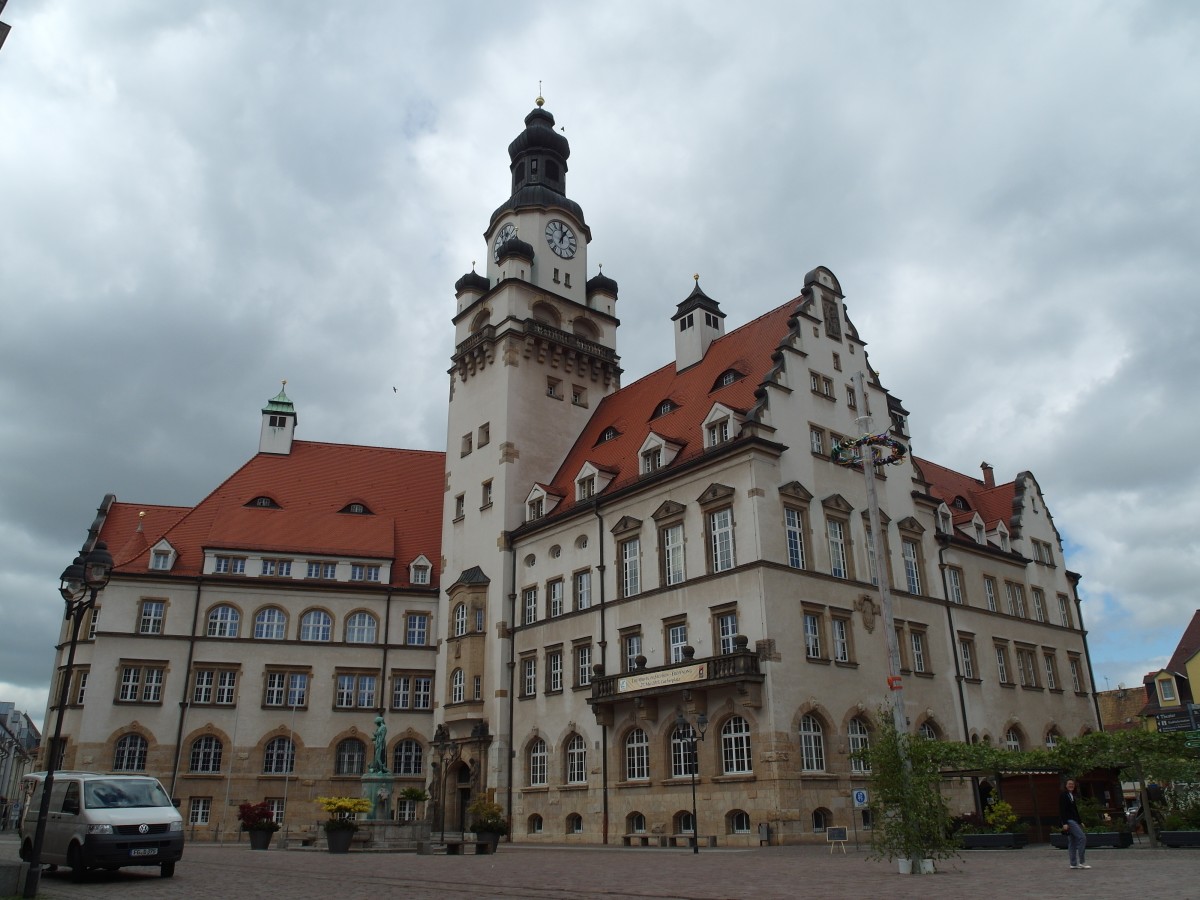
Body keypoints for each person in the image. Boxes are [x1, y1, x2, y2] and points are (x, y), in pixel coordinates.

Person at [1060, 778, 1090, 870]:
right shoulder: (1063, 795)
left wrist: (1080, 821)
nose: (1071, 785)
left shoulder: (1071, 795)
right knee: (1082, 837)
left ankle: (1073, 863)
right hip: (1069, 820)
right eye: (1069, 784)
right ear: (1065, 785)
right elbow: (1062, 809)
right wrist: (1064, 822)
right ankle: (1082, 862)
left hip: (1074, 820)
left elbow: (1075, 811)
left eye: (1072, 784)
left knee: (1072, 842)